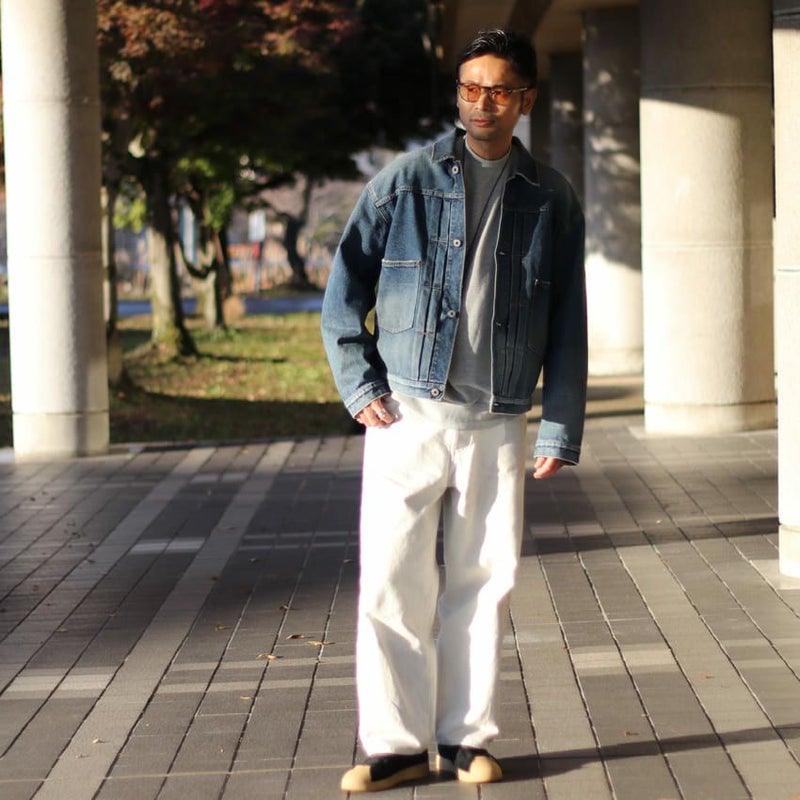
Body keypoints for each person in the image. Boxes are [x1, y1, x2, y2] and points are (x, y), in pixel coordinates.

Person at [321, 28, 587, 793]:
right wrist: (361, 385)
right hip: (407, 414)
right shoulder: (403, 182)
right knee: (392, 580)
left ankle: (466, 739)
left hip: (497, 419)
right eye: (471, 88)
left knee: (484, 582)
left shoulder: (551, 197)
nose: (483, 104)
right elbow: (344, 291)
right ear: (458, 95)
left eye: (499, 90)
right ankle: (394, 746)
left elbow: (568, 322)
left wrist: (560, 424)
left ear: (525, 99)